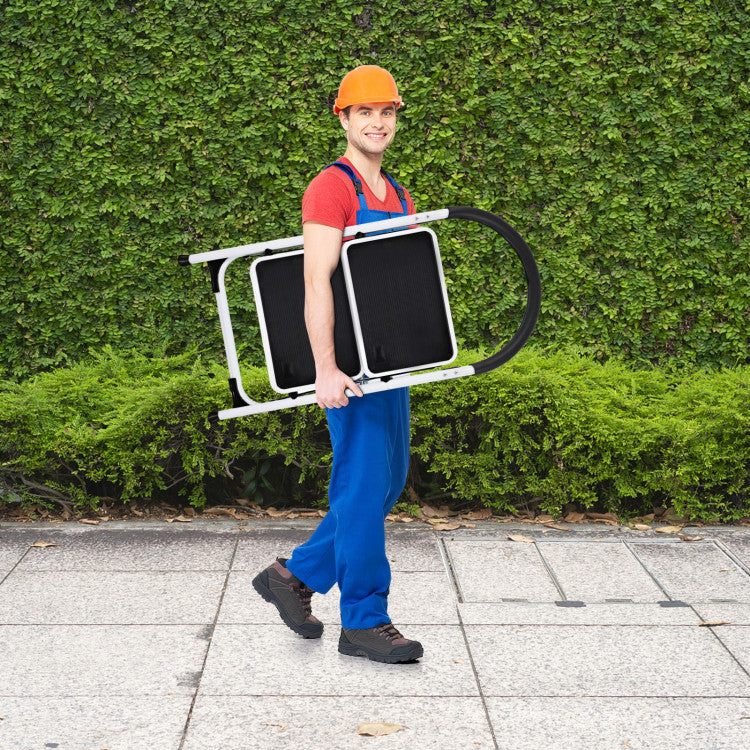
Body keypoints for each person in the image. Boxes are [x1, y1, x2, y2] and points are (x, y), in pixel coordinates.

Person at [252, 65, 423, 664]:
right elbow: (314, 280)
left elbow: (395, 285)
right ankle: (365, 621)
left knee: (386, 481)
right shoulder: (332, 188)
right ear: (343, 118)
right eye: (365, 113)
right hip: (349, 371)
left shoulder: (397, 193)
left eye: (388, 112)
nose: (378, 122)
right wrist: (326, 368)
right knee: (360, 485)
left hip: (390, 365)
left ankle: (293, 575)